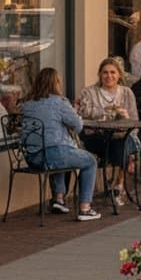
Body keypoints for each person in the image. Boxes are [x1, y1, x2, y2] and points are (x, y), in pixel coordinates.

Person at [20, 67, 100, 221]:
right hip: (52, 156)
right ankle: (85, 208)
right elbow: (78, 126)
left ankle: (59, 199)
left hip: (32, 157)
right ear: (56, 82)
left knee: (60, 150)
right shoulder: (59, 102)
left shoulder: (27, 104)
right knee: (89, 161)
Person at [76, 57, 139, 207]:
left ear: (119, 75)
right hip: (95, 136)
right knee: (120, 146)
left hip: (120, 135)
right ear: (99, 74)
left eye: (113, 72)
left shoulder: (127, 92)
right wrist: (105, 112)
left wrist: (125, 117)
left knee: (123, 142)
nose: (109, 76)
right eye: (105, 73)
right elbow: (83, 113)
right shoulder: (89, 92)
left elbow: (134, 120)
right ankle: (117, 184)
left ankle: (117, 184)